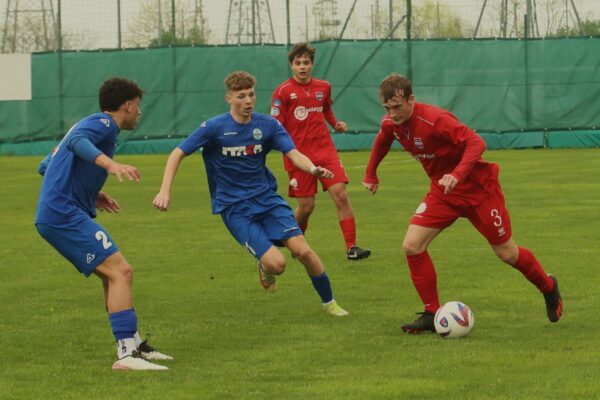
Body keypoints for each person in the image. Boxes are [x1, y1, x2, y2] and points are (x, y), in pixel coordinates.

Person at [362, 73, 563, 333]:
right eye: (387, 108)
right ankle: (431, 313)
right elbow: (382, 140)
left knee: (506, 253)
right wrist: (371, 173)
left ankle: (548, 287)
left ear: (411, 99)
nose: (392, 114)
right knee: (412, 246)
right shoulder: (391, 123)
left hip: (479, 190)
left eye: (397, 107)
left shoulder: (434, 119)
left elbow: (476, 143)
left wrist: (457, 174)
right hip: (443, 191)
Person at [153, 71, 348, 317]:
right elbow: (177, 153)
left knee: (303, 251)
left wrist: (312, 168)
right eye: (241, 96)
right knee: (278, 265)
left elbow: (293, 153)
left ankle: (330, 304)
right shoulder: (214, 128)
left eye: (251, 95)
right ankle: (265, 265)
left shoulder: (267, 125)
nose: (248, 101)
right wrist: (164, 190)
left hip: (267, 199)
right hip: (235, 208)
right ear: (229, 99)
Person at [35, 77, 172, 370]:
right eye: (138, 106)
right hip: (63, 215)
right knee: (121, 271)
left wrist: (92, 193)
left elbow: (46, 166)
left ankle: (133, 346)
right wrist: (111, 165)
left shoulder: (88, 124)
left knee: (114, 275)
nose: (139, 112)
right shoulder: (105, 124)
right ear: (128, 104)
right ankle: (126, 355)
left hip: (62, 212)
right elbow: (75, 143)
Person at [271, 42, 370, 261]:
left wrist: (335, 125)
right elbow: (275, 123)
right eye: (298, 63)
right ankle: (296, 242)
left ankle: (352, 247)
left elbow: (325, 108)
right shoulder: (283, 91)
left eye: (306, 62)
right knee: (306, 207)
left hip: (325, 151)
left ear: (312, 64)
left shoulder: (323, 87)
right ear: (291, 66)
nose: (302, 66)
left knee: (341, 195)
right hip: (298, 156)